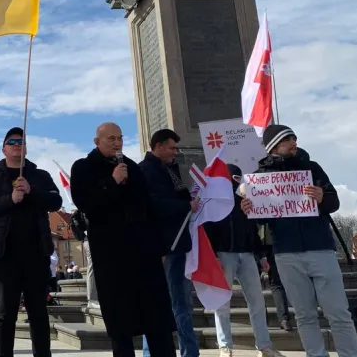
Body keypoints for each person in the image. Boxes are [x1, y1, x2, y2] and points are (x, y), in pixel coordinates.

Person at [241, 124, 357, 357]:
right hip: (286, 252)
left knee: (339, 313)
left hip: (321, 248)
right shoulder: (258, 179)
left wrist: (321, 197)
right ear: (273, 146)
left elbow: (333, 202)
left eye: (294, 138)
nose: (294, 142)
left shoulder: (312, 168)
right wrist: (248, 209)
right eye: (287, 139)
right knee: (304, 315)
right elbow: (262, 219)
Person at [70, 122, 176, 357]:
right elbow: (86, 203)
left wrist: (157, 244)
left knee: (157, 320)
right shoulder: (84, 168)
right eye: (111, 139)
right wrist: (112, 182)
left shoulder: (132, 168)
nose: (117, 143)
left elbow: (147, 206)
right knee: (121, 326)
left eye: (119, 138)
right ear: (97, 142)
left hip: (144, 252)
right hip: (112, 256)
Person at [0, 127, 62, 357]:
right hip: (5, 255)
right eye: (11, 141)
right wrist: (10, 199)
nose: (16, 144)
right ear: (3, 148)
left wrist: (31, 192)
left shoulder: (39, 175)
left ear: (26, 148)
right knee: (5, 313)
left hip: (36, 253)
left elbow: (55, 201)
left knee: (38, 313)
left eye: (21, 142)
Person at [203, 164, 285, 357]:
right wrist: (213, 254)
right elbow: (209, 228)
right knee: (222, 302)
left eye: (241, 179)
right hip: (224, 253)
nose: (239, 183)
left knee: (257, 301)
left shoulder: (248, 201)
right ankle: (225, 346)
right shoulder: (216, 201)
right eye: (236, 179)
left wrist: (261, 255)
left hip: (247, 254)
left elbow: (253, 230)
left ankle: (264, 346)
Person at [138, 129, 200, 357]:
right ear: (158, 146)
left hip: (178, 243)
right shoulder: (145, 171)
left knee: (181, 303)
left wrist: (189, 200)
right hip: (164, 246)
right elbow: (151, 205)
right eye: (172, 148)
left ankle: (189, 351)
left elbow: (177, 197)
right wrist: (185, 206)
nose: (175, 152)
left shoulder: (171, 169)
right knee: (166, 304)